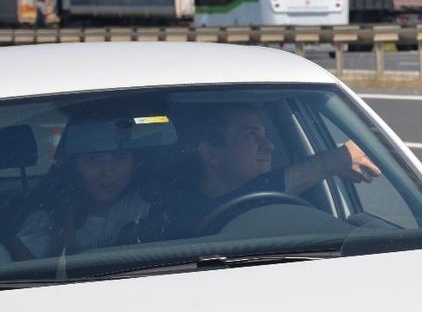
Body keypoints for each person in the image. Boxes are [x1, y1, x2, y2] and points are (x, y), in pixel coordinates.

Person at [133, 104, 381, 240]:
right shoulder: (175, 210)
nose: (269, 145)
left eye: (266, 134)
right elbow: (218, 211)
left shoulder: (298, 209)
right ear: (211, 154)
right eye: (250, 135)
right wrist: (328, 162)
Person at [0, 146, 149, 261]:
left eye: (119, 157)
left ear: (135, 163)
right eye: (93, 158)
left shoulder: (148, 204)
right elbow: (23, 266)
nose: (108, 171)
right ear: (74, 167)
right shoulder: (48, 221)